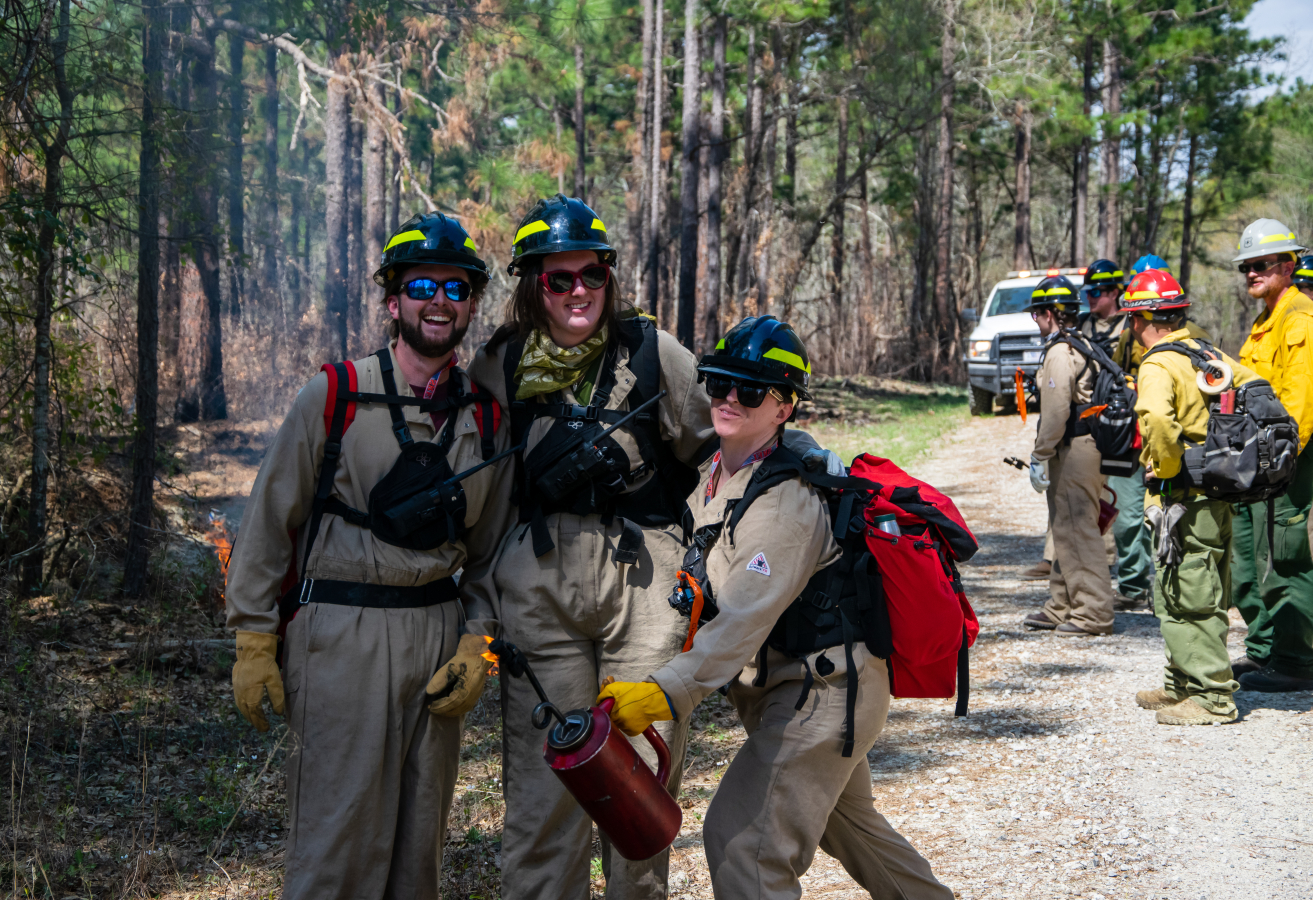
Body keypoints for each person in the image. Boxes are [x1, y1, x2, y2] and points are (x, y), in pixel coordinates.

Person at [599, 316, 954, 900]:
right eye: (719, 384)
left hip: (825, 696)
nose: (729, 399)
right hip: (795, 692)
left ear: (785, 407)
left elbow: (742, 617)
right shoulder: (716, 470)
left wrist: (666, 691)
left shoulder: (786, 500)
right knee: (856, 831)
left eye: (751, 390)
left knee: (744, 844)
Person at [225, 213, 516, 898]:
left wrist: (480, 644)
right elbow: (270, 519)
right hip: (341, 636)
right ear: (393, 301)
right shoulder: (335, 395)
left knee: (418, 852)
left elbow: (492, 553)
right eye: (421, 285)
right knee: (337, 843)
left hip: (437, 635)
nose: (438, 300)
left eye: (456, 287)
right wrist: (253, 637)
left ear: (472, 304)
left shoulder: (486, 415)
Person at [467, 194, 715, 900]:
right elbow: (480, 484)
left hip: (645, 588)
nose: (578, 292)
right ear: (531, 285)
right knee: (545, 792)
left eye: (592, 276)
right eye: (559, 278)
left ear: (610, 277)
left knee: (638, 790)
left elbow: (720, 449)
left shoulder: (655, 353)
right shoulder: (499, 366)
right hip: (538, 591)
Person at [1125, 268, 1259, 724]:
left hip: (1181, 496)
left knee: (1190, 591)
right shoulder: (1206, 351)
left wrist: (1163, 470)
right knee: (1188, 589)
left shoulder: (1159, 363)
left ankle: (1213, 698)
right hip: (1216, 491)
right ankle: (1181, 682)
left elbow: (1159, 423)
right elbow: (1257, 388)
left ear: (1142, 320)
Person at [1230, 219, 1313, 692]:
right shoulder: (1266, 321)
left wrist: (1279, 465)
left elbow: (1300, 401)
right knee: (1247, 560)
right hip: (1255, 458)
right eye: (1247, 267)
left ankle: (1298, 661)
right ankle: (1265, 649)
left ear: (1288, 265)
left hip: (1284, 462)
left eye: (1260, 265)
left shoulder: (1299, 319)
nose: (1251, 274)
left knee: (1285, 557)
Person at [1021, 275, 1115, 637]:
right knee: (1064, 528)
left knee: (1079, 530)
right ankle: (1062, 604)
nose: (1037, 321)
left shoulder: (1061, 352)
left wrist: (1039, 455)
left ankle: (1093, 612)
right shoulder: (1081, 343)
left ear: (1047, 314)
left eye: (1036, 315)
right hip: (1078, 448)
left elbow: (1057, 410)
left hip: (1075, 450)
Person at [1079, 258, 1155, 611]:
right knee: (1119, 512)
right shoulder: (1100, 330)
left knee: (1155, 514)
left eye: (1098, 291)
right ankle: (1135, 583)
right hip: (1120, 432)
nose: (1092, 298)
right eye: (1088, 291)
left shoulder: (1135, 327)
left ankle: (1151, 584)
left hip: (1154, 432)